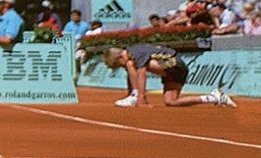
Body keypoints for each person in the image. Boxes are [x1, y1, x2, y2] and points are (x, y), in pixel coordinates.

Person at [99, 26, 236, 108]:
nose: (121, 66)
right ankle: (213, 97)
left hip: (174, 64)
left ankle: (136, 96)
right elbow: (132, 77)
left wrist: (140, 97)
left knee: (133, 65)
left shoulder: (133, 54)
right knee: (171, 101)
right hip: (174, 71)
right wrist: (130, 94)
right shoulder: (130, 58)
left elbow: (141, 74)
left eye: (118, 64)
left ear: (120, 57)